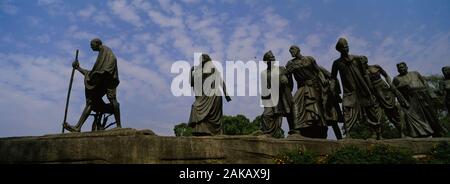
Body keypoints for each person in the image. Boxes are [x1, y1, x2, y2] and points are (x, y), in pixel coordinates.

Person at [64, 38, 121, 132]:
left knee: (112, 99)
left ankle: (119, 126)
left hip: (108, 79)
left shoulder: (106, 50)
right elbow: (92, 74)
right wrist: (78, 68)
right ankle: (78, 127)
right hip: (101, 80)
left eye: (92, 44)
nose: (91, 47)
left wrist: (104, 72)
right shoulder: (101, 54)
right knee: (91, 102)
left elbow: (113, 59)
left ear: (97, 43)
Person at [331, 38, 381, 139]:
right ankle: (348, 134)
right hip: (348, 91)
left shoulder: (357, 59)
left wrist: (369, 87)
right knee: (346, 110)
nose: (346, 49)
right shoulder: (337, 62)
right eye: (344, 48)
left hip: (362, 88)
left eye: (347, 47)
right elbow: (333, 77)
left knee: (369, 110)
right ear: (339, 50)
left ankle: (376, 133)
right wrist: (333, 89)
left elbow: (365, 74)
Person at [285, 45, 329, 138]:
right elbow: (287, 76)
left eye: (293, 50)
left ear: (298, 50)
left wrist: (323, 80)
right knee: (294, 102)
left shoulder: (309, 59)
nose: (291, 52)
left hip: (314, 86)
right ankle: (296, 129)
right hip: (302, 87)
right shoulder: (290, 64)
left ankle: (317, 127)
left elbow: (318, 71)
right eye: (290, 51)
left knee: (316, 107)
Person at [393, 62, 447, 137]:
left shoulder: (415, 73)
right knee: (413, 116)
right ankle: (420, 133)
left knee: (430, 114)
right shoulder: (396, 78)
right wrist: (401, 86)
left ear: (406, 67)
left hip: (423, 95)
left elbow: (424, 82)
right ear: (397, 70)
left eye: (402, 67)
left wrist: (432, 94)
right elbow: (395, 90)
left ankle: (438, 131)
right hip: (411, 98)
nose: (401, 69)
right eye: (399, 68)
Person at [188, 54, 231, 136]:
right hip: (204, 95)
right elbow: (192, 82)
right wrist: (191, 71)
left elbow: (221, 81)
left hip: (213, 95)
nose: (200, 61)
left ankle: (213, 132)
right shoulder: (198, 71)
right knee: (195, 106)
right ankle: (200, 131)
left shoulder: (212, 67)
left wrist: (226, 94)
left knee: (201, 110)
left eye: (202, 59)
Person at [362, 58, 406, 138]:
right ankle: (377, 134)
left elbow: (386, 75)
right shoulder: (362, 73)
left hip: (384, 90)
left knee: (392, 112)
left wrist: (391, 85)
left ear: (366, 61)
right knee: (375, 114)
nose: (362, 63)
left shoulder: (376, 67)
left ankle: (402, 132)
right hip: (374, 93)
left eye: (363, 61)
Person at [258, 51, 293, 138]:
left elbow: (289, 82)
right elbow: (264, 89)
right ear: (267, 61)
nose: (273, 59)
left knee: (289, 112)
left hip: (284, 95)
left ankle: (293, 132)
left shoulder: (281, 69)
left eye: (273, 57)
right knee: (266, 115)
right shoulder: (263, 73)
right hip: (272, 97)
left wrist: (287, 80)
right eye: (271, 58)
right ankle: (268, 134)